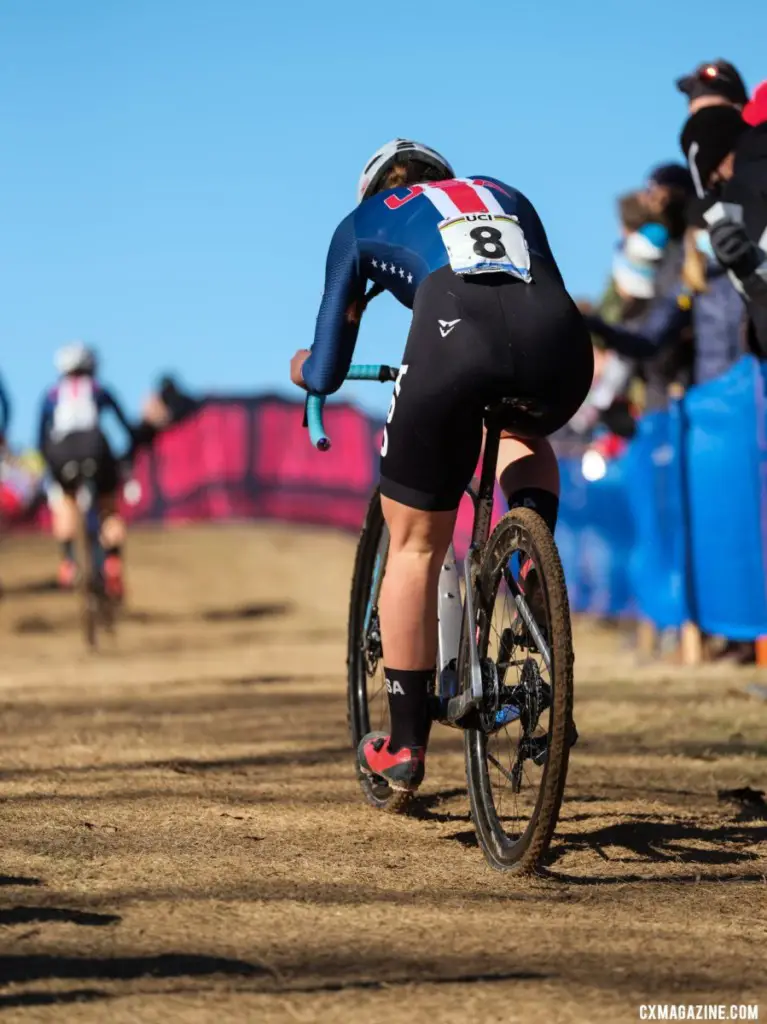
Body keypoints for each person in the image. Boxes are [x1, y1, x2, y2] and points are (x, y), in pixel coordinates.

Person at [289, 139, 593, 792]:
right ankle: (530, 556)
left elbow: (327, 363)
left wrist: (308, 371)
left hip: (454, 336)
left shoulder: (362, 224)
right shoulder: (503, 193)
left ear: (374, 190)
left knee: (415, 543)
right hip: (559, 342)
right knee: (519, 426)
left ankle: (402, 746)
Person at [582, 165, 696, 408]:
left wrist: (598, 327)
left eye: (659, 196)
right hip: (660, 391)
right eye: (651, 196)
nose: (655, 204)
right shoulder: (664, 258)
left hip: (688, 389)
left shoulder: (689, 256)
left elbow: (649, 337)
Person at [39, 343, 134, 595]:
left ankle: (68, 561)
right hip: (94, 447)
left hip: (60, 451)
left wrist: (48, 465)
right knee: (108, 507)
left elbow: (41, 437)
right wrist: (126, 456)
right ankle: (113, 562)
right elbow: (125, 426)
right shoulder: (98, 389)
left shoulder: (51, 394)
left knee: (66, 503)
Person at [679, 106, 767, 355]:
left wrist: (746, 269)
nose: (720, 191)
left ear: (723, 162)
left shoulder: (743, 189)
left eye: (715, 182)